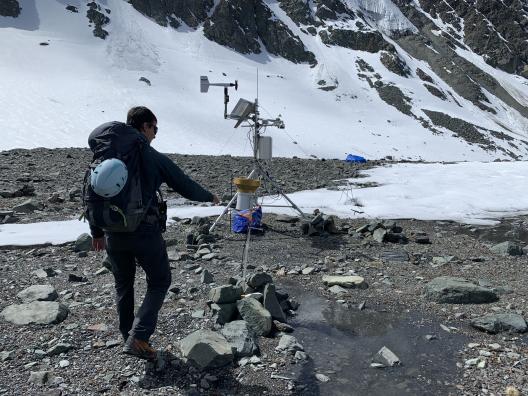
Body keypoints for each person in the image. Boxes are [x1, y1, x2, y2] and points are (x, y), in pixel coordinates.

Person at [90, 106, 219, 360]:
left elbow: (92, 193)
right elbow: (183, 184)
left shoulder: (103, 156)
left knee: (123, 284)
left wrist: (96, 232)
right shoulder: (151, 156)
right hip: (144, 232)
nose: (156, 134)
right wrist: (208, 196)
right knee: (159, 282)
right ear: (144, 127)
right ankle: (138, 337)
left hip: (113, 233)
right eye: (154, 128)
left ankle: (128, 334)